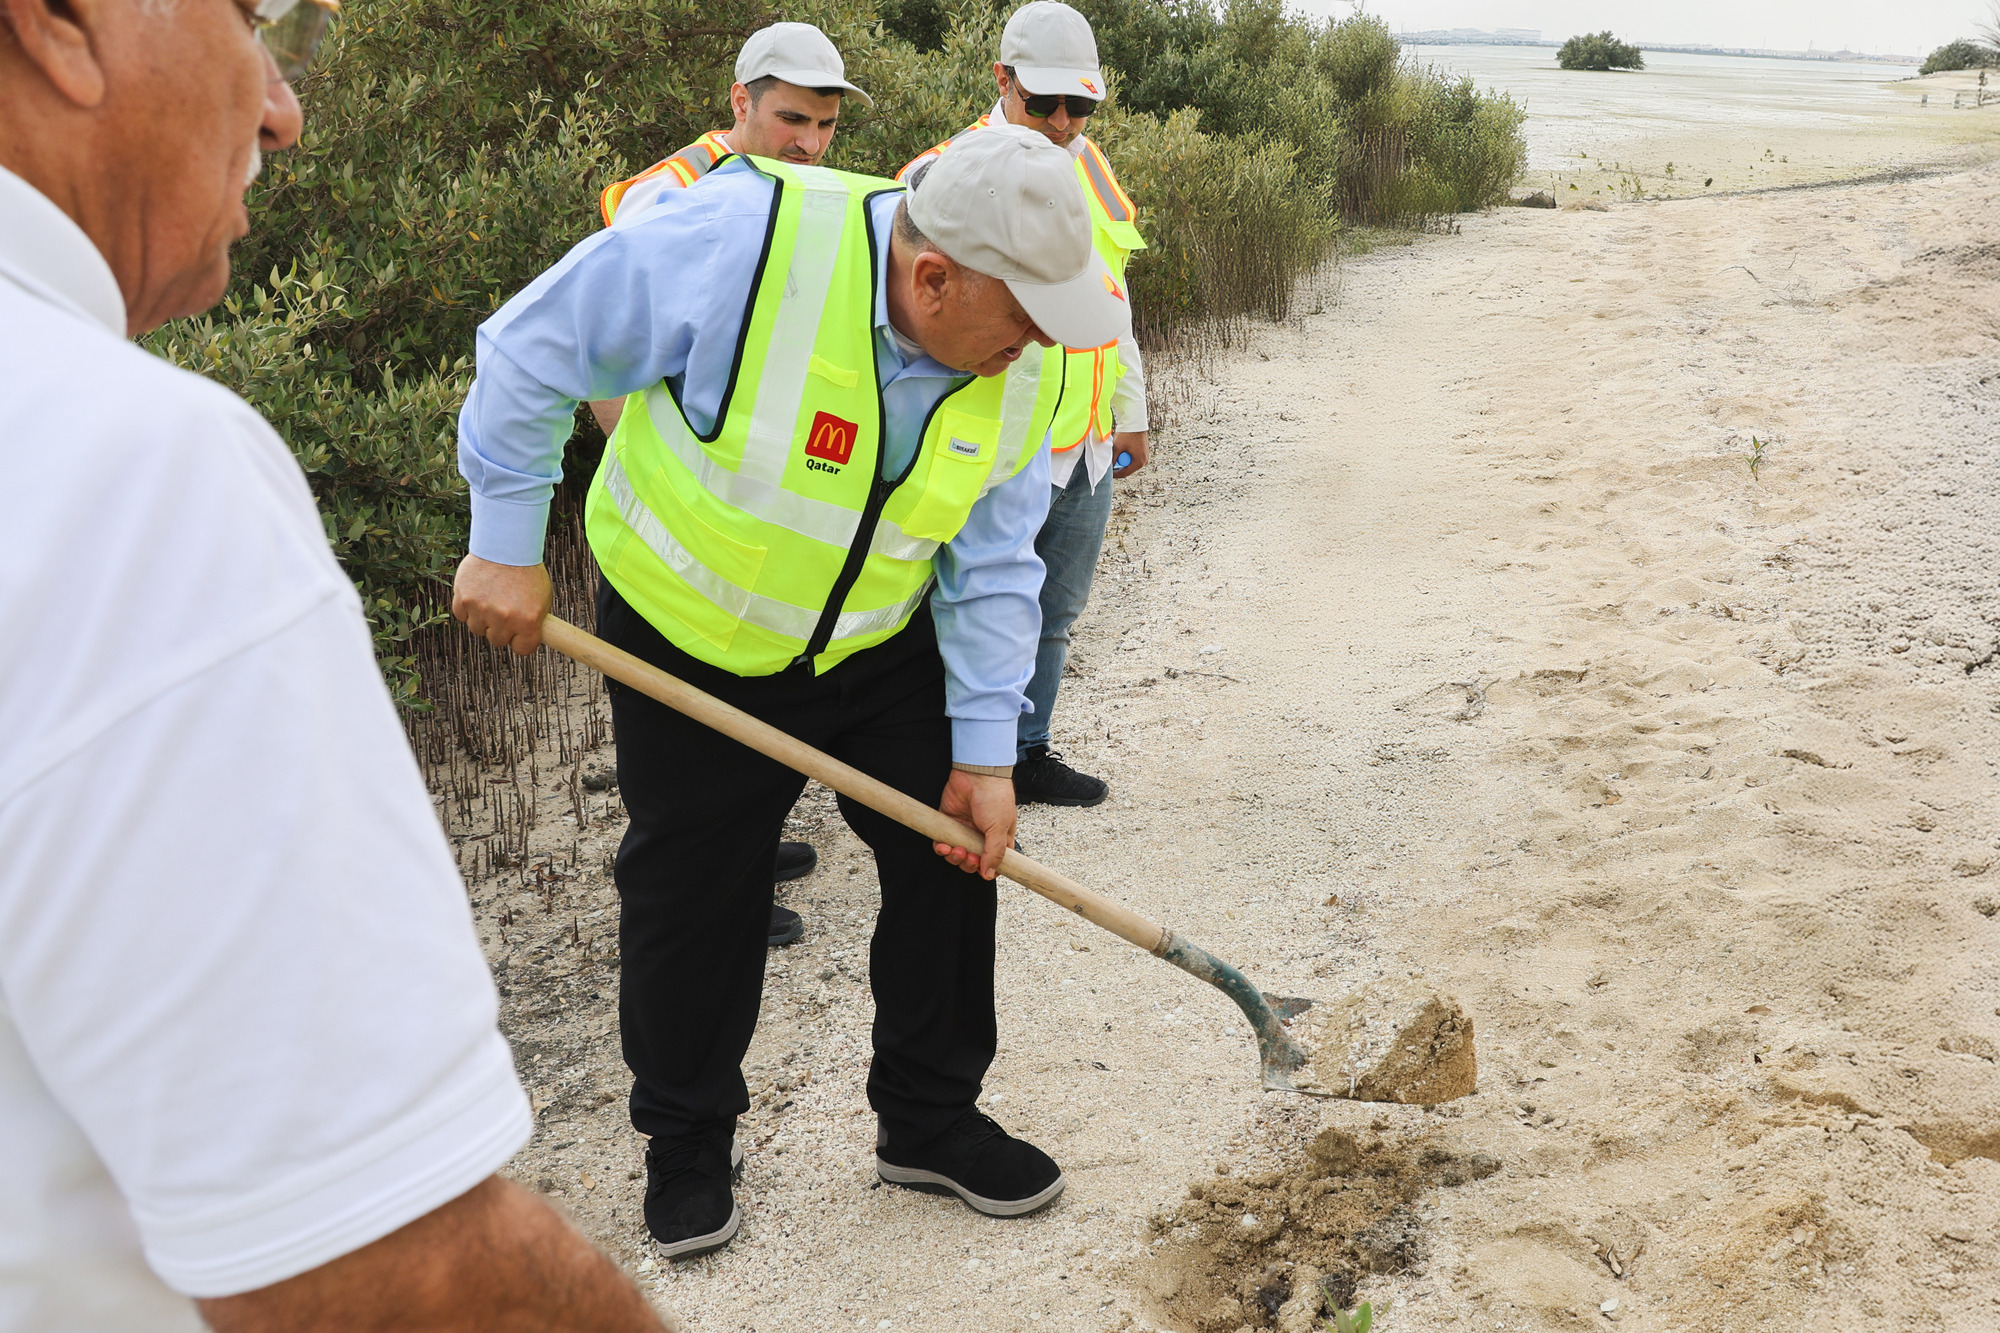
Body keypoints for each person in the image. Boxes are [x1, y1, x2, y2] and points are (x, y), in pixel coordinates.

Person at [0, 0, 674, 1329]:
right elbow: (391, 1280)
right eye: (249, 17)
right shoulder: (124, 471)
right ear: (58, 25)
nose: (280, 109)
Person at [452, 125, 1130, 1259]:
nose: (1034, 347)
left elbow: (997, 562)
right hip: (688, 634)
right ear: (932, 278)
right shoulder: (739, 240)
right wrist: (506, 540)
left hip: (872, 640)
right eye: (1021, 317)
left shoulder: (1023, 361)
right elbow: (531, 348)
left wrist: (985, 750)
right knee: (694, 893)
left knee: (954, 846)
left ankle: (926, 1118)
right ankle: (686, 1143)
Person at [589, 21, 875, 951]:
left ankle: (757, 839)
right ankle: (723, 889)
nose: (811, 141)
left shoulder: (810, 189)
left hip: (758, 493)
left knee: (754, 704)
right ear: (738, 103)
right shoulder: (668, 199)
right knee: (685, 749)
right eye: (793, 118)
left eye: (827, 125)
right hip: (682, 495)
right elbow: (606, 362)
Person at [898, 0, 1149, 810]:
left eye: (1081, 105)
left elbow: (1115, 293)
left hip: (1084, 438)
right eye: (1045, 103)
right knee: (965, 603)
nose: (1064, 122)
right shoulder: (942, 174)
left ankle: (1025, 749)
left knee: (1055, 608)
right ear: (1002, 80)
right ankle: (956, 760)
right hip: (994, 448)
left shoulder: (1089, 167)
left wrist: (1130, 406)